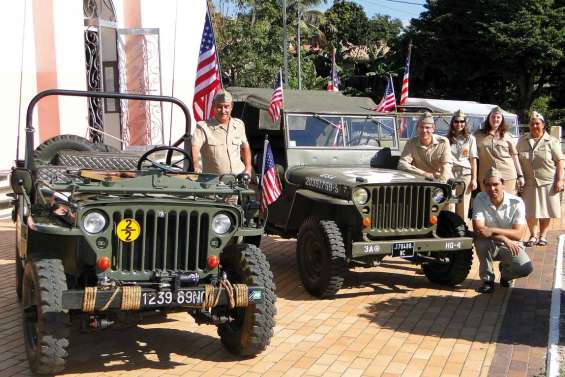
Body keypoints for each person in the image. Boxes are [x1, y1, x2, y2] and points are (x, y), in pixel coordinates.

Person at [472, 167, 533, 293]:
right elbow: (479, 231)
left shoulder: (517, 202)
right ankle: (487, 280)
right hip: (492, 242)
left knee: (525, 268)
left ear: (503, 184)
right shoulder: (479, 198)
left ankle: (505, 274)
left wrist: (492, 230)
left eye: (495, 184)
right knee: (481, 243)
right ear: (483, 185)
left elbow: (518, 234)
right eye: (488, 185)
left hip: (512, 244)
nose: (492, 188)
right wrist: (504, 238)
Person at [517, 111, 564, 247]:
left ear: (543, 125)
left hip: (548, 182)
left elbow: (560, 161)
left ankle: (543, 235)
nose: (535, 126)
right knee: (529, 211)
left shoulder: (552, 141)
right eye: (532, 124)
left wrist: (560, 180)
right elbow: (517, 158)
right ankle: (533, 235)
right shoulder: (522, 140)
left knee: (546, 210)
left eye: (537, 123)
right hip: (529, 182)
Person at [191, 90, 252, 176]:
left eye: (226, 107)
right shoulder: (203, 127)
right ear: (214, 107)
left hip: (238, 179)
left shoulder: (239, 125)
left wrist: (248, 167)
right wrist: (196, 166)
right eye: (219, 107)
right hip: (215, 182)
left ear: (231, 107)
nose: (223, 111)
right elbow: (195, 148)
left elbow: (245, 147)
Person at [474, 106, 525, 194]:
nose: (495, 119)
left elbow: (514, 155)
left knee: (508, 203)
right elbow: (472, 156)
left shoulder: (507, 135)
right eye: (493, 117)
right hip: (487, 176)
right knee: (488, 203)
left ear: (502, 120)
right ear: (488, 118)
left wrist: (520, 175)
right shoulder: (478, 135)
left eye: (498, 117)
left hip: (507, 175)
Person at [398, 112, 453, 183]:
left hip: (442, 179)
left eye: (427, 128)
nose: (424, 131)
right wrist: (423, 174)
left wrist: (442, 183)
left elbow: (446, 166)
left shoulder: (443, 142)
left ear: (433, 129)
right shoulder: (411, 143)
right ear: (417, 128)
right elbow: (402, 164)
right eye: (421, 127)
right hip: (421, 180)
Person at [448, 110, 478, 219]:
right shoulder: (447, 139)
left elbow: (473, 160)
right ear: (452, 123)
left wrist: (474, 179)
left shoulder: (470, 139)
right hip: (450, 173)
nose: (459, 124)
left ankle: (462, 228)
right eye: (456, 121)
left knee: (463, 204)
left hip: (465, 174)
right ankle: (449, 229)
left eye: (462, 121)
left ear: (465, 123)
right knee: (450, 203)